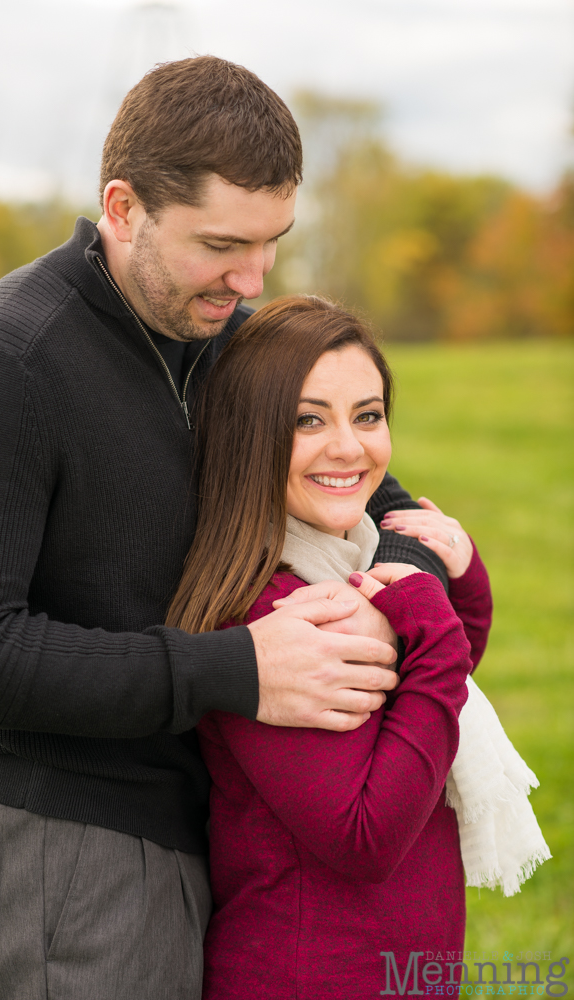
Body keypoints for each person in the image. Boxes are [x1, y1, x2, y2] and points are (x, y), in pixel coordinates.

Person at [0, 59, 446, 1000]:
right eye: (221, 245)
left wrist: (388, 579)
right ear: (123, 207)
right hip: (62, 851)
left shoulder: (221, 336)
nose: (250, 278)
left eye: (272, 242)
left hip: (203, 824)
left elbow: (362, 484)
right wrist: (236, 669)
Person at [167, 295, 543, 998]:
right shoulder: (274, 613)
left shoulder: (345, 563)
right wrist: (428, 620)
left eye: (367, 415)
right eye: (308, 420)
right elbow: (364, 836)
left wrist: (460, 586)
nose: (349, 446)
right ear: (251, 435)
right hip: (307, 973)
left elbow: (432, 704)